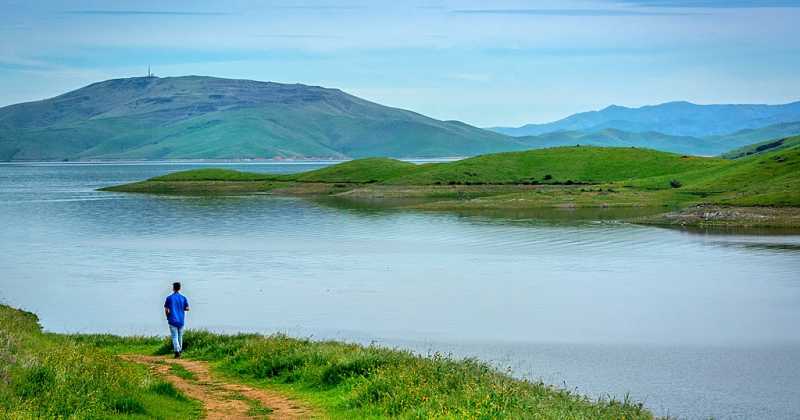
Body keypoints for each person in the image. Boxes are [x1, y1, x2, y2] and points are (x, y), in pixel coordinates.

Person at [164, 282, 189, 358]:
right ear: (180, 288)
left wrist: (168, 317)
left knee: (174, 336)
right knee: (180, 336)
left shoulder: (169, 298)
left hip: (172, 320)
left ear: (173, 288)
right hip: (181, 320)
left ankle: (177, 352)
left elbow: (166, 310)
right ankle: (180, 350)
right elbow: (187, 308)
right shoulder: (183, 298)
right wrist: (182, 308)